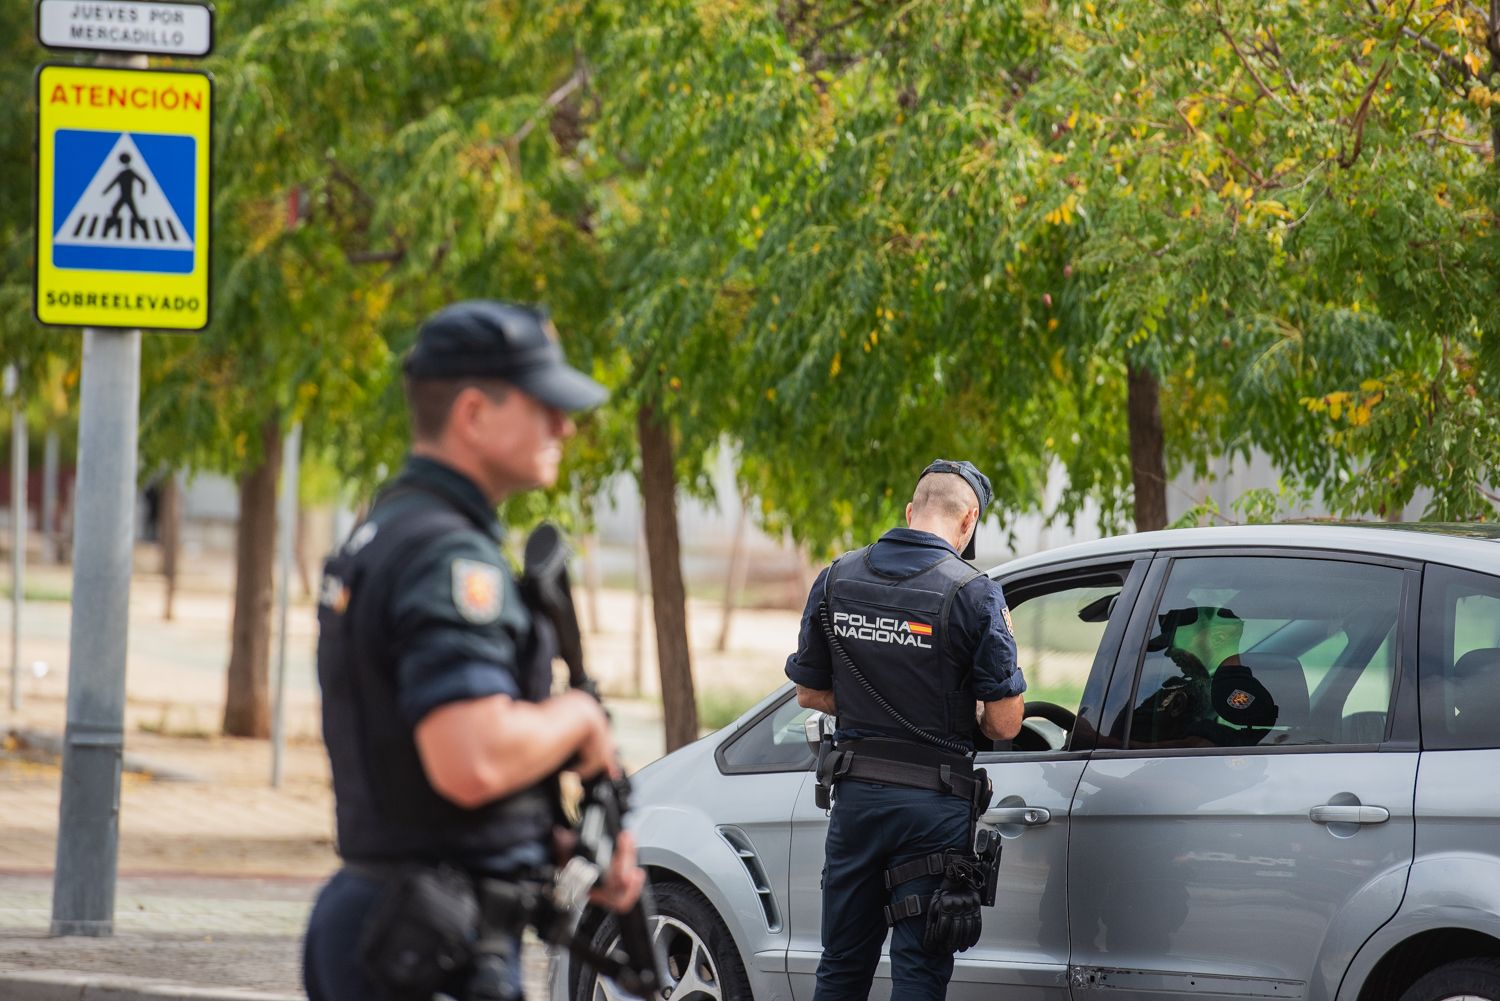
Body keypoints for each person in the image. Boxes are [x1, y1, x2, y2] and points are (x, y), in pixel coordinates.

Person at [304, 300, 645, 1001]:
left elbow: (418, 776)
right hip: (425, 942)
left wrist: (553, 845)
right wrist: (580, 719)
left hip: (402, 921)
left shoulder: (391, 530)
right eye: (543, 404)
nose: (564, 424)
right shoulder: (450, 560)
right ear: (472, 414)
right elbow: (472, 758)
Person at [785, 459, 1026, 1001]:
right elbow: (1007, 723)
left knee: (842, 967)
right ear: (968, 523)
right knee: (918, 973)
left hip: (856, 801)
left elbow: (809, 692)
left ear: (911, 511)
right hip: (933, 809)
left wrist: (877, 705)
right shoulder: (975, 594)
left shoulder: (837, 576)